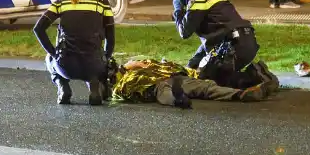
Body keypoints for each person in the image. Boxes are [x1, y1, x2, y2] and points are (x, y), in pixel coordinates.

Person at [172, 0, 279, 92]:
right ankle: (256, 73)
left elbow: (184, 32)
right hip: (244, 42)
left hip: (233, 47)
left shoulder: (197, 2)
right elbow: (211, 41)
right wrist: (192, 64)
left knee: (211, 80)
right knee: (203, 72)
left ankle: (257, 77)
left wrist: (177, 8)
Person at [33, 0, 115, 106]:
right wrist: (105, 60)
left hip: (65, 66)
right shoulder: (102, 3)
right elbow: (110, 39)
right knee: (99, 60)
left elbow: (38, 29)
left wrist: (53, 53)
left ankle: (63, 87)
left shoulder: (62, 1)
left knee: (49, 58)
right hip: (94, 66)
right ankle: (94, 86)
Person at [110, 58, 269, 109]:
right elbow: (118, 90)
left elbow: (170, 65)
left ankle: (242, 94)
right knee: (166, 94)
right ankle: (178, 99)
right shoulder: (125, 76)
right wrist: (125, 67)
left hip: (174, 78)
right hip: (156, 84)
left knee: (206, 87)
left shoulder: (150, 62)